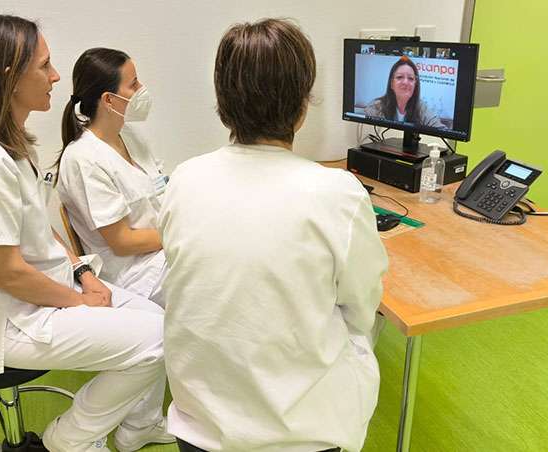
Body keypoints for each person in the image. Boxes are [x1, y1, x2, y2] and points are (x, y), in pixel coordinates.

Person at [0, 13, 174, 452]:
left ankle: (99, 433)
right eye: (44, 66)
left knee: (162, 324)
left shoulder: (10, 145)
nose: (56, 76)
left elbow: (43, 233)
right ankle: (67, 442)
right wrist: (81, 301)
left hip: (52, 291)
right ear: (9, 75)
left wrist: (84, 274)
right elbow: (10, 276)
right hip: (14, 319)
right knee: (157, 343)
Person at [158, 18, 389, 452]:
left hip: (198, 427)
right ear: (302, 105)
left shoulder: (183, 180)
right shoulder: (337, 193)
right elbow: (361, 310)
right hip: (301, 437)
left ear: (223, 101)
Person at [55, 48, 168, 307]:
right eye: (133, 84)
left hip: (164, 254)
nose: (142, 89)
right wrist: (181, 233)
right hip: (137, 277)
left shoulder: (130, 136)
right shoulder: (82, 159)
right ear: (108, 100)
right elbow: (123, 242)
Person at [364, 56, 445, 128]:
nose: (405, 82)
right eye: (399, 77)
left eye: (410, 78)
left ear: (415, 85)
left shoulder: (422, 108)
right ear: (392, 84)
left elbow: (440, 129)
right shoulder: (375, 107)